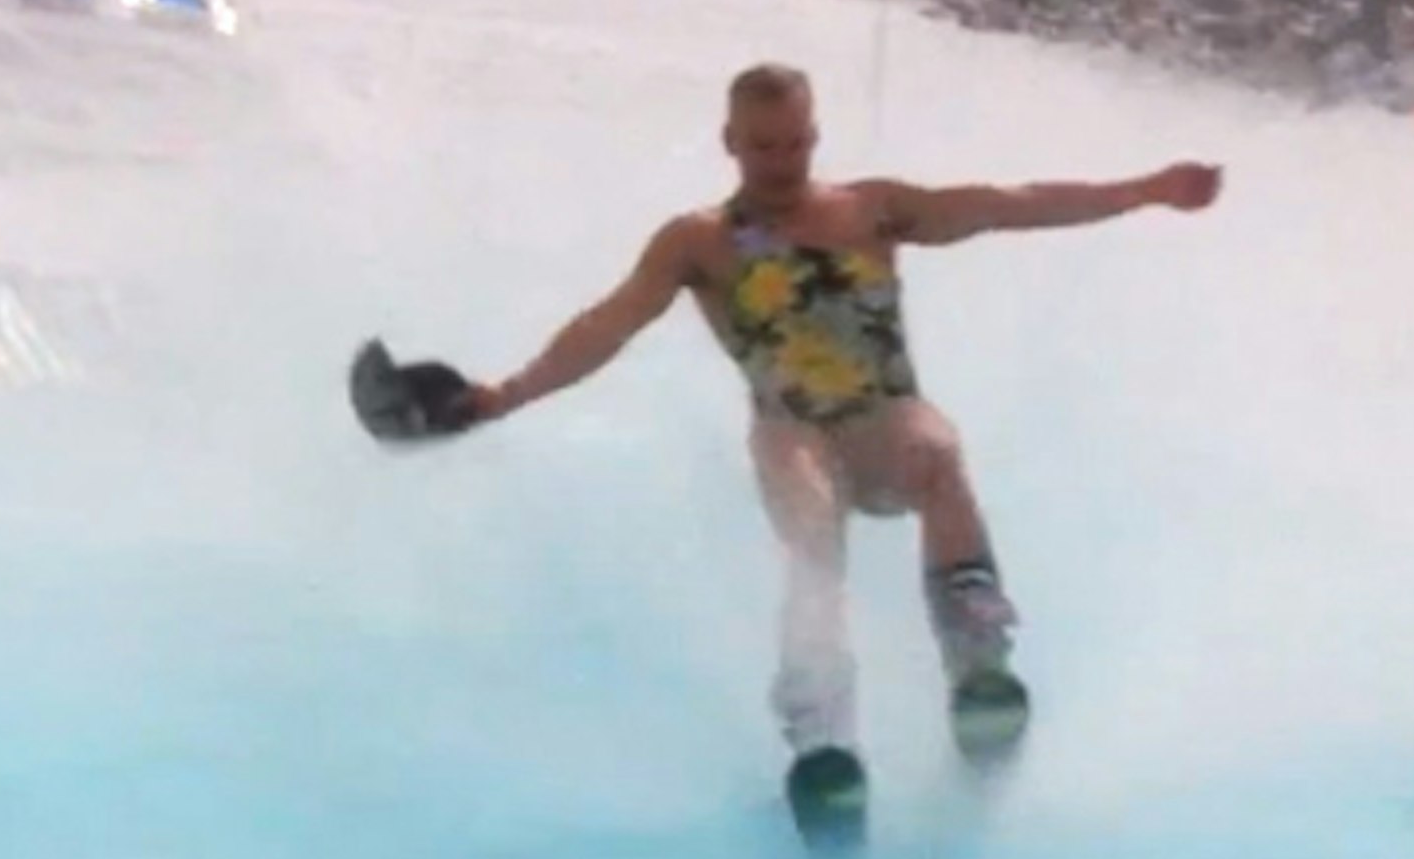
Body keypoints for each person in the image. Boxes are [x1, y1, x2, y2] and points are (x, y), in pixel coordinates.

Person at [455, 63, 1222, 801]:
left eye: (794, 143)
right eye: (763, 146)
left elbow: (1006, 204)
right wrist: (507, 393)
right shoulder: (698, 241)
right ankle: (823, 733)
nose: (780, 162)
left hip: (883, 422)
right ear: (730, 141)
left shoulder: (871, 208)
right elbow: (605, 327)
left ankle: (977, 665)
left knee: (935, 444)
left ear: (814, 135)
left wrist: (1144, 190)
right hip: (794, 434)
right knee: (807, 501)